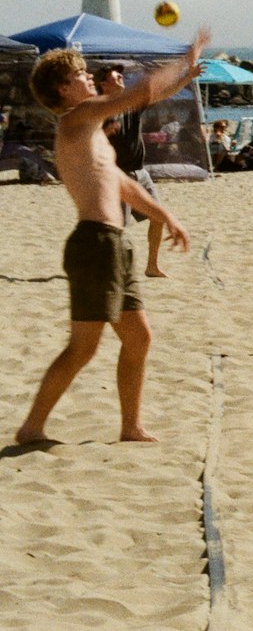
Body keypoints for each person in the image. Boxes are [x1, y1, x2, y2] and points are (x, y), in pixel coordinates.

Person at [15, 32, 202, 446]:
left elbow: (122, 184)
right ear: (63, 89)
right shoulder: (75, 119)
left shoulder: (94, 132)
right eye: (80, 75)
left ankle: (130, 426)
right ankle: (32, 427)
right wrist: (185, 60)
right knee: (83, 348)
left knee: (139, 337)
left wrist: (166, 215)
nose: (89, 79)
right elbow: (142, 93)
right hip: (95, 244)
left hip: (113, 244)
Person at [94, 63, 170, 279]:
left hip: (141, 173)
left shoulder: (131, 104)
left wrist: (187, 76)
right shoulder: (100, 109)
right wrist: (106, 132)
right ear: (104, 84)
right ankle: (106, 266)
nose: (121, 78)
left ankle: (152, 266)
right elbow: (86, 141)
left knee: (158, 217)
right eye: (116, 77)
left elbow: (162, 92)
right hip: (119, 175)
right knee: (117, 228)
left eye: (121, 75)